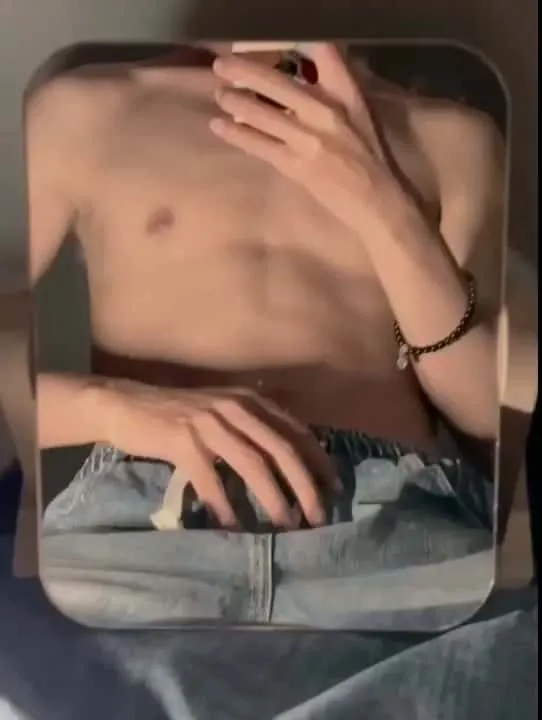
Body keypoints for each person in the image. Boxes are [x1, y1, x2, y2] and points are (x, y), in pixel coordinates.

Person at [28, 42, 521, 626]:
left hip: (395, 535)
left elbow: (491, 424)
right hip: (139, 527)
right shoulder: (84, 109)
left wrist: (383, 204)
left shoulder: (454, 137)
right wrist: (111, 409)